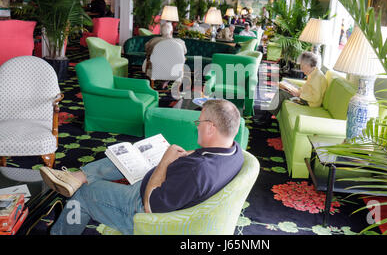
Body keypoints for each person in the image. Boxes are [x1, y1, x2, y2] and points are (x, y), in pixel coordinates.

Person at [39, 99, 244, 235]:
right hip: (171, 186)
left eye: (199, 122)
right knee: (122, 159)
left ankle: (75, 196)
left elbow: (150, 206)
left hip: (141, 205)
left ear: (211, 127)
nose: (197, 125)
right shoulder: (235, 152)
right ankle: (77, 176)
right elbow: (199, 165)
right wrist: (184, 155)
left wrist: (164, 161)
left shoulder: (197, 171)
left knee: (85, 193)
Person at [256, 51, 327, 124]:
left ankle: (267, 117)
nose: (301, 70)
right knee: (285, 86)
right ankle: (267, 114)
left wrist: (299, 94)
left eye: (302, 66)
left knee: (282, 93)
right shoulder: (314, 73)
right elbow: (309, 89)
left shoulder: (317, 77)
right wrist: (297, 90)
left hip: (308, 102)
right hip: (304, 95)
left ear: (308, 65)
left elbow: (316, 98)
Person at [142, 22, 187, 88]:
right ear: (171, 32)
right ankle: (166, 81)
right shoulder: (180, 42)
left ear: (161, 32)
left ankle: (157, 82)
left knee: (150, 60)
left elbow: (147, 51)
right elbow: (184, 52)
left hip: (156, 68)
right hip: (174, 70)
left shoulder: (153, 41)